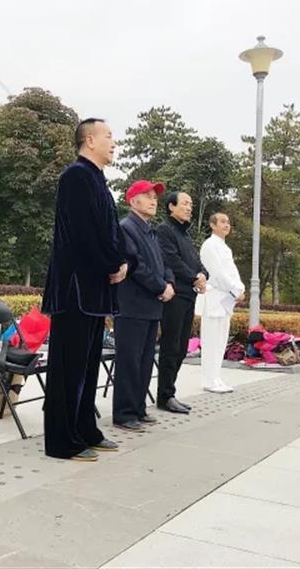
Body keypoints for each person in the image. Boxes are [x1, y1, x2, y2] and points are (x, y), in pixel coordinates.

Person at [42, 118, 126, 462]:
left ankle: (86, 429)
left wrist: (121, 261)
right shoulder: (75, 176)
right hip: (75, 288)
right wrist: (112, 263)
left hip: (94, 287)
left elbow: (110, 231)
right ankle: (62, 440)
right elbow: (83, 233)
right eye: (108, 136)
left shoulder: (97, 180)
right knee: (69, 368)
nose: (113, 142)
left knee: (88, 365)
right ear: (89, 140)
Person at [113, 180, 175, 432]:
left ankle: (138, 407)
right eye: (147, 196)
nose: (153, 201)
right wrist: (161, 287)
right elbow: (136, 265)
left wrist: (169, 282)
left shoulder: (150, 230)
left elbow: (163, 262)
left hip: (151, 306)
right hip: (132, 305)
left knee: (145, 360)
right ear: (133, 200)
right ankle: (124, 413)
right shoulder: (126, 228)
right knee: (129, 361)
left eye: (155, 197)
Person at [156, 192, 209, 414]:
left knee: (181, 349)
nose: (189, 208)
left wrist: (203, 274)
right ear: (171, 206)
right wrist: (194, 278)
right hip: (175, 296)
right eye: (185, 203)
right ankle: (165, 396)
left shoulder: (185, 235)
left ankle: (170, 392)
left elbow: (197, 262)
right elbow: (171, 261)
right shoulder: (164, 230)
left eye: (191, 204)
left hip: (189, 296)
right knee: (171, 346)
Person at [197, 212, 244, 394]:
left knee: (221, 341)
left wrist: (239, 288)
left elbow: (232, 272)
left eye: (228, 222)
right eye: (222, 222)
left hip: (226, 300)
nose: (226, 225)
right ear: (212, 225)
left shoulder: (225, 248)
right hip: (214, 297)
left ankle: (216, 377)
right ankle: (209, 380)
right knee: (211, 342)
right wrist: (235, 289)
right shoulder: (209, 245)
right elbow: (216, 273)